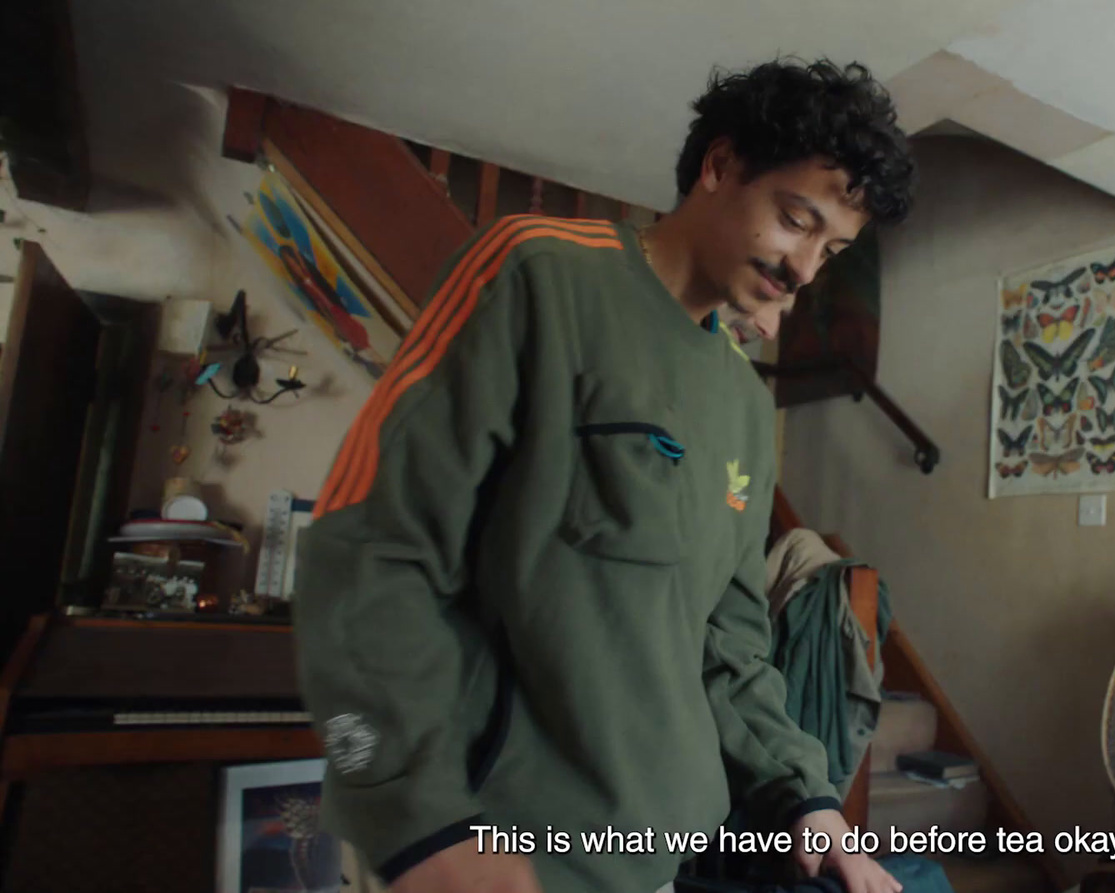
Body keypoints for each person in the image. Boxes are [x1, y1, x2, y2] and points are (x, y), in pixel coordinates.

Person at [293, 58, 916, 893]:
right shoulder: (541, 274)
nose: (807, 265)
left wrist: (809, 798)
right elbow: (371, 545)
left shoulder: (738, 398)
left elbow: (727, 646)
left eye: (832, 247)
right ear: (721, 166)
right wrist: (418, 821)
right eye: (796, 219)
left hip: (653, 860)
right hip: (490, 851)